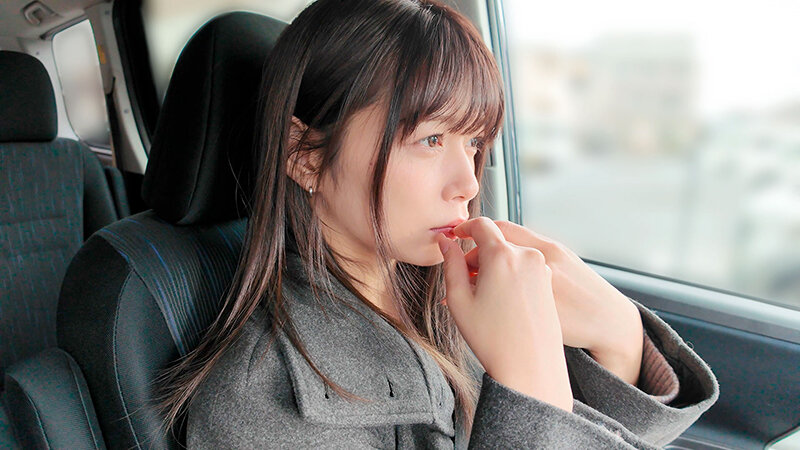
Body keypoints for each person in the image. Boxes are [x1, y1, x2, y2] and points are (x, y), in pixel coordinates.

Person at [155, 0, 719, 447]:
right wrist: (531, 393)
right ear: (305, 156)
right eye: (430, 140)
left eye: (472, 142)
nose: (468, 183)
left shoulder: (457, 300)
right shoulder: (263, 402)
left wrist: (618, 338)